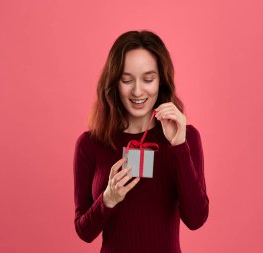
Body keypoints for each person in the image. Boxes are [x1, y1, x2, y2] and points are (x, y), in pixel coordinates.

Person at [73, 30, 209, 253]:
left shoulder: (186, 137)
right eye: (127, 80)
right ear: (114, 83)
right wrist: (108, 199)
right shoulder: (90, 144)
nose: (137, 91)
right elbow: (84, 232)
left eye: (148, 79)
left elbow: (196, 219)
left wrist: (179, 148)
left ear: (161, 81)